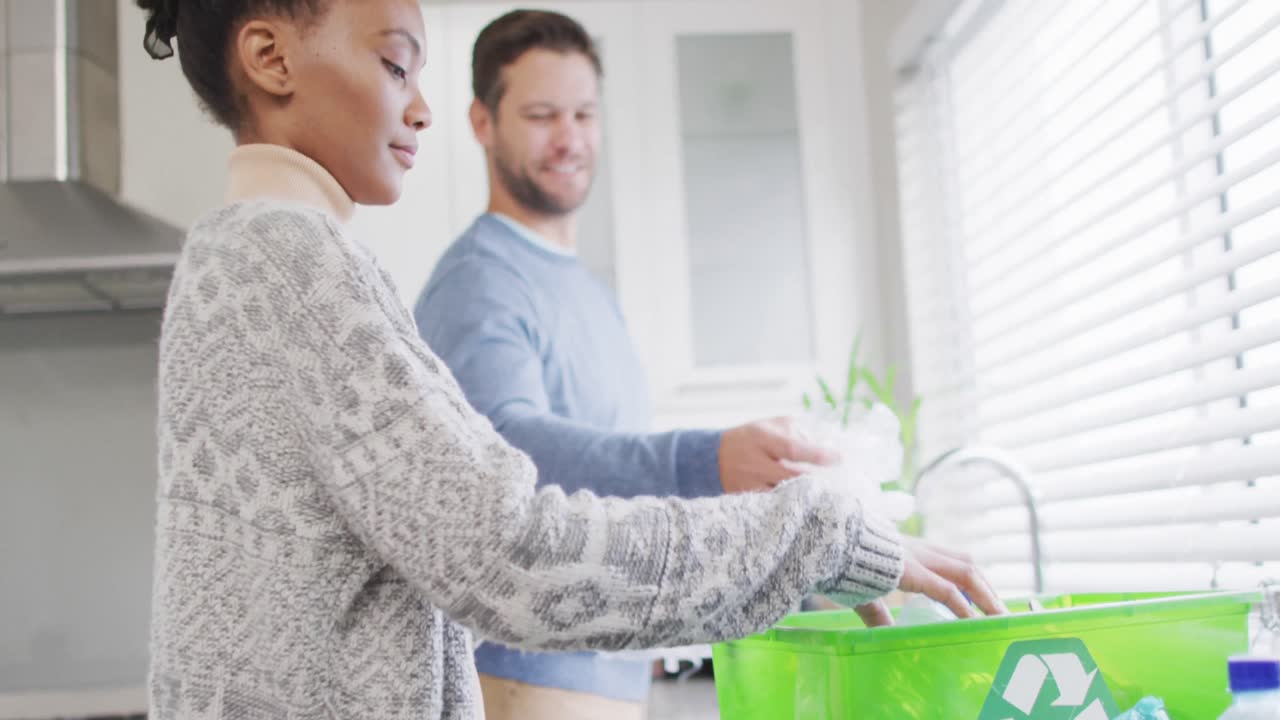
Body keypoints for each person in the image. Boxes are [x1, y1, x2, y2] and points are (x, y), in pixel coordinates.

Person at [138, 1, 1007, 718]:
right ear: (270, 58)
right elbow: (509, 548)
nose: (421, 107)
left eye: (583, 114)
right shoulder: (294, 263)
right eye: (397, 65)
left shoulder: (252, 255)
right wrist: (817, 533)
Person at [412, 10, 844, 718]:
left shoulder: (588, 293)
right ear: (483, 123)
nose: (570, 138)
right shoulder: (479, 279)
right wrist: (704, 462)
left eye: (584, 113)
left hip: (599, 674)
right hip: (528, 680)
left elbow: (608, 494)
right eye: (543, 114)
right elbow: (506, 447)